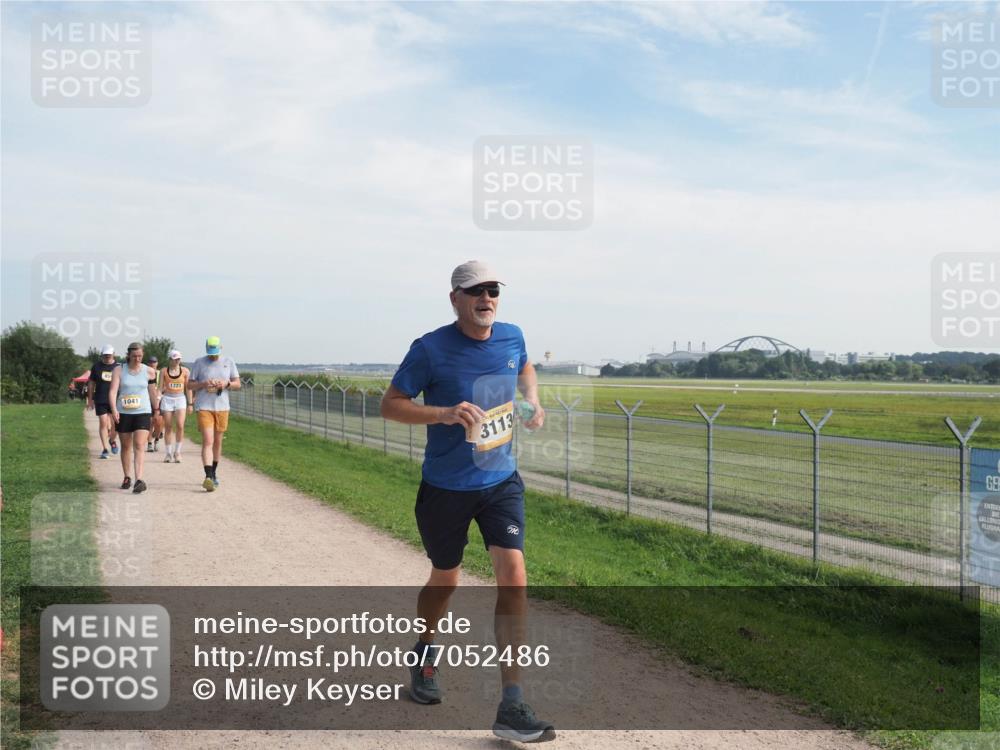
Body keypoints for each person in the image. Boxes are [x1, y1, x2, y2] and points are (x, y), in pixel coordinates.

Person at [380, 260, 552, 743]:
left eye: (493, 290)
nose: (486, 298)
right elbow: (390, 405)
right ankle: (426, 651)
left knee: (513, 573)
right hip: (445, 488)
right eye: (475, 291)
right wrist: (444, 413)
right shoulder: (430, 348)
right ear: (454, 298)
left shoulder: (512, 335)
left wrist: (532, 400)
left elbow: (524, 366)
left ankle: (512, 703)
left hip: (500, 481)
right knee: (446, 577)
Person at [189, 336, 240, 492]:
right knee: (208, 440)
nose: (213, 356)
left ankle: (214, 472)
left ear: (220, 348)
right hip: (204, 406)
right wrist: (203, 384)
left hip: (222, 407)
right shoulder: (199, 363)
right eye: (210, 353)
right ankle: (208, 477)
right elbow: (189, 385)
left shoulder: (229, 362)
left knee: (217, 441)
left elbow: (238, 384)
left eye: (215, 352)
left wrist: (226, 384)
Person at [108, 342, 159, 494]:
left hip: (143, 411)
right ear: (128, 355)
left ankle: (139, 479)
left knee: (139, 444)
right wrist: (114, 409)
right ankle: (127, 477)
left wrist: (157, 410)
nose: (137, 359)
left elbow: (152, 392)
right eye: (134, 356)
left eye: (140, 356)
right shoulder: (119, 370)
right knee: (126, 446)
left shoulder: (149, 372)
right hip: (124, 412)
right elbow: (112, 392)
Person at [158, 350, 193, 463]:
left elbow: (188, 388)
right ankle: (168, 453)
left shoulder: (185, 371)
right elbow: (160, 388)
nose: (177, 361)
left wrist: (190, 403)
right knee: (168, 426)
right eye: (175, 358)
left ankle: (177, 452)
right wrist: (157, 401)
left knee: (180, 425)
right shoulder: (164, 371)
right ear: (170, 359)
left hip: (180, 399)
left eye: (179, 358)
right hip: (167, 399)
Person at [86, 344, 120, 459]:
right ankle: (105, 449)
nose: (107, 357)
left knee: (116, 424)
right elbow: (91, 384)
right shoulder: (96, 367)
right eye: (105, 355)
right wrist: (90, 399)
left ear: (113, 354)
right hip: (100, 398)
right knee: (103, 422)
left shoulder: (119, 367)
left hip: (115, 400)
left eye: (109, 355)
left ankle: (112, 440)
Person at [146, 355, 164, 452]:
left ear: (157, 363)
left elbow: (165, 386)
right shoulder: (146, 373)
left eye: (154, 362)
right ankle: (149, 444)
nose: (152, 364)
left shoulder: (160, 373)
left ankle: (157, 438)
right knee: (150, 422)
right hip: (148, 399)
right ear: (148, 363)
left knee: (159, 421)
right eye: (151, 362)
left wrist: (159, 392)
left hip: (160, 399)